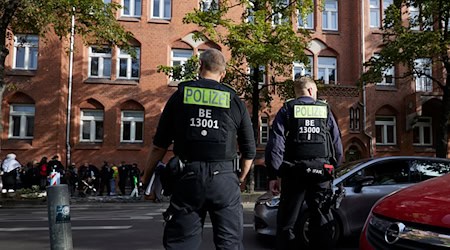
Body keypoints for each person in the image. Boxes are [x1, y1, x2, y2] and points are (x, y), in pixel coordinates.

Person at [142, 48, 256, 250]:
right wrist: (240, 178)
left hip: (187, 177)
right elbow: (249, 150)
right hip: (225, 178)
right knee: (229, 243)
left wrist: (147, 179)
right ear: (223, 74)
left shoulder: (180, 96)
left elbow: (159, 145)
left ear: (200, 66)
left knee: (181, 243)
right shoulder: (234, 101)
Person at [265, 76, 343, 250]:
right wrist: (334, 167)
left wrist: (275, 174)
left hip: (294, 173)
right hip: (321, 173)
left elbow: (276, 144)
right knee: (322, 220)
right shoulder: (325, 110)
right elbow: (337, 143)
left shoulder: (287, 109)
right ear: (310, 90)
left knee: (287, 223)